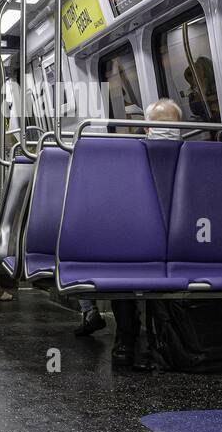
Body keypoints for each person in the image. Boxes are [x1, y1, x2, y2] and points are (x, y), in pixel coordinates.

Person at [74, 97, 184, 369]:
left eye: (172, 124)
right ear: (147, 128)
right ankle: (126, 340)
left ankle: (172, 342)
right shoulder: (130, 158)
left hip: (179, 235)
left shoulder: (191, 158)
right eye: (159, 124)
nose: (167, 129)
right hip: (138, 232)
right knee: (121, 265)